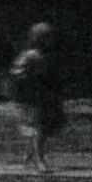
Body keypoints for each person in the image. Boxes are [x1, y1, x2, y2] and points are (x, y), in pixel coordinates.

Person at [6, 21, 66, 171]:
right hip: (31, 97)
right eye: (48, 37)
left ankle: (28, 156)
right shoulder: (31, 55)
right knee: (39, 127)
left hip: (42, 96)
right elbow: (16, 74)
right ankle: (40, 160)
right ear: (40, 38)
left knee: (43, 127)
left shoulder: (44, 55)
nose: (51, 41)